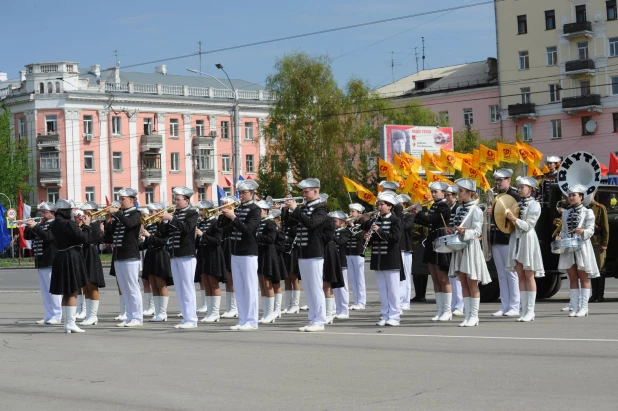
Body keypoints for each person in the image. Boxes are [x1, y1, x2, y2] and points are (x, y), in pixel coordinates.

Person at [286, 178, 329, 332]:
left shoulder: (322, 209)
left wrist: (296, 210)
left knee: (316, 288)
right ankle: (312, 319)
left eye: (306, 192)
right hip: (303, 252)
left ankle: (320, 320)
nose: (304, 195)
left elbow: (311, 224)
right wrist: (289, 211)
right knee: (308, 289)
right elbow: (290, 226)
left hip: (315, 252)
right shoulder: (304, 208)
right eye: (303, 192)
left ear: (315, 191)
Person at [449, 179, 491, 327]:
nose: (457, 194)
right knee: (463, 283)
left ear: (469, 192)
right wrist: (452, 231)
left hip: (471, 248)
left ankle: (474, 316)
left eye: (460, 191)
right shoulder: (459, 209)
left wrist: (464, 231)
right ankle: (467, 316)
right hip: (460, 248)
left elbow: (478, 232)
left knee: (472, 283)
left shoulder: (476, 210)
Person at [408, 181, 452, 321]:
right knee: (434, 277)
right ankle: (440, 309)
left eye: (436, 192)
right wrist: (416, 215)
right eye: (432, 191)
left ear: (443, 193)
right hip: (432, 239)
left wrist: (421, 211)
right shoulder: (435, 205)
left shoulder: (444, 206)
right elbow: (428, 222)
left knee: (442, 277)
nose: (433, 194)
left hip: (440, 239)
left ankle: (447, 310)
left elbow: (432, 218)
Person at [221, 181, 261, 331]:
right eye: (240, 192)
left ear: (251, 193)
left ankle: (252, 321)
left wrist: (233, 217)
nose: (241, 195)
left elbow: (249, 230)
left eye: (244, 192)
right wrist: (225, 214)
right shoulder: (237, 209)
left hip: (248, 252)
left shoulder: (255, 210)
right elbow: (223, 229)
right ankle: (243, 319)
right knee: (238, 287)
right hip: (235, 251)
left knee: (250, 288)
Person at [556, 184, 600, 317]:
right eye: (569, 195)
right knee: (573, 277)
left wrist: (583, 231)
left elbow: (591, 230)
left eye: (574, 195)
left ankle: (584, 307)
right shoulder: (566, 213)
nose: (571, 197)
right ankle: (574, 307)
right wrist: (560, 237)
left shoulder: (588, 212)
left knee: (583, 276)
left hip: (582, 246)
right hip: (569, 247)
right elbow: (564, 230)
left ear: (581, 197)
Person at [505, 177, 544, 322]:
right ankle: (524, 309)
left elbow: (528, 225)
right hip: (516, 238)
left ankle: (531, 311)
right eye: (519, 187)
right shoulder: (516, 204)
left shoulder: (535, 205)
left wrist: (514, 219)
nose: (519, 190)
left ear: (531, 189)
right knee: (520, 274)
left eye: (523, 187)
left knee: (529, 275)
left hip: (528, 239)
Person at [160, 187, 199, 329]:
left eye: (178, 199)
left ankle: (192, 319)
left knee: (187, 287)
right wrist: (164, 222)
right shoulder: (175, 214)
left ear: (186, 200)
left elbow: (187, 228)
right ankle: (185, 317)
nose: (175, 201)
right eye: (175, 199)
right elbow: (165, 233)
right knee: (179, 288)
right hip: (175, 254)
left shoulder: (192, 213)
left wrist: (171, 219)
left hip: (187, 254)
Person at [49, 199, 89, 333]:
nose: (72, 212)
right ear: (66, 211)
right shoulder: (69, 223)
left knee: (66, 292)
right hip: (71, 256)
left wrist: (75, 226)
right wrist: (86, 226)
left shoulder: (54, 224)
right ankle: (71, 323)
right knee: (73, 290)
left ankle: (67, 323)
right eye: (71, 210)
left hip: (60, 256)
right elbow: (83, 238)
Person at [362, 192, 402, 326]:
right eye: (378, 204)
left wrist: (379, 231)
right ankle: (385, 315)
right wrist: (369, 238)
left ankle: (395, 316)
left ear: (390, 206)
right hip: (378, 259)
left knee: (393, 289)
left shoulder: (396, 220)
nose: (379, 207)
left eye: (381, 204)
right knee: (382, 289)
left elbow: (395, 238)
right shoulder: (375, 220)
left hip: (391, 259)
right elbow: (376, 238)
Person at [105, 189, 143, 328]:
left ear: (132, 200)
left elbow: (130, 224)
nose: (120, 201)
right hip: (119, 255)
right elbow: (108, 236)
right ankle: (129, 316)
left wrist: (117, 213)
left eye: (123, 199)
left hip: (130, 255)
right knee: (124, 288)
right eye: (120, 199)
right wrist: (108, 219)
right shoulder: (119, 215)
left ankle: (137, 317)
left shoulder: (136, 213)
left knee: (133, 287)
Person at [487, 168, 521, 317]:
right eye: (497, 180)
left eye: (501, 180)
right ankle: (505, 305)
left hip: (508, 238)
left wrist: (495, 211)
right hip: (496, 237)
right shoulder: (496, 195)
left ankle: (515, 305)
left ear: (508, 180)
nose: (498, 183)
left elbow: (514, 215)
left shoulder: (514, 195)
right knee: (501, 273)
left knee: (511, 273)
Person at [24, 202, 62, 325]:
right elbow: (28, 237)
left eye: (45, 212)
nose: (42, 214)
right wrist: (27, 225)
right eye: (42, 212)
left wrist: (35, 226)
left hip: (51, 259)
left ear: (52, 213)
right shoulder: (41, 224)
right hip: (41, 260)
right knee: (45, 291)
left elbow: (48, 237)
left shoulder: (55, 224)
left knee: (53, 291)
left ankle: (57, 315)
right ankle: (49, 314)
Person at [195, 201, 227, 323]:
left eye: (202, 210)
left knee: (213, 283)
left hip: (213, 254)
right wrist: (197, 237)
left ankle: (215, 312)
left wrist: (203, 235)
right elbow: (199, 242)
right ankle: (209, 311)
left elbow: (217, 240)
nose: (201, 212)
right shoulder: (203, 222)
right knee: (206, 282)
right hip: (203, 253)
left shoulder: (216, 222)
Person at [140, 202, 173, 322]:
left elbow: (162, 241)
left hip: (160, 254)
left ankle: (163, 312)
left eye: (152, 212)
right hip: (150, 254)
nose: (150, 214)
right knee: (153, 283)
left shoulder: (164, 225)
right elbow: (147, 243)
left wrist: (149, 236)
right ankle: (157, 311)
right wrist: (140, 241)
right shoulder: (149, 224)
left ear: (159, 211)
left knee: (160, 284)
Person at [77, 201, 106, 326]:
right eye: (84, 213)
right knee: (85, 286)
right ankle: (88, 314)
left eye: (87, 213)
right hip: (83, 254)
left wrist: (87, 225)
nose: (84, 215)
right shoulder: (85, 225)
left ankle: (93, 315)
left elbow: (90, 240)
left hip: (91, 254)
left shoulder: (94, 225)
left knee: (92, 284)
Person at [256, 200, 281, 324]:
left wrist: (256, 236)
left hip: (268, 253)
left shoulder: (270, 224)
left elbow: (271, 239)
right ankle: (266, 312)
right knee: (261, 282)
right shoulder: (258, 223)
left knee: (267, 283)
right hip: (259, 253)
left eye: (259, 210)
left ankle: (271, 313)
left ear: (266, 211)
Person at [445, 185, 464, 316]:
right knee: (452, 274)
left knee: (458, 275)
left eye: (448, 195)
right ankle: (454, 303)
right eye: (445, 195)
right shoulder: (449, 208)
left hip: (459, 242)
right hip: (451, 241)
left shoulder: (457, 208)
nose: (446, 198)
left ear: (454, 196)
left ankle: (460, 305)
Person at [219, 196, 239, 319]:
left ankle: (235, 307)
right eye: (223, 204)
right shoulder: (222, 217)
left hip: (232, 245)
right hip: (224, 245)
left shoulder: (234, 216)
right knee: (227, 278)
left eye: (226, 203)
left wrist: (229, 215)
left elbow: (229, 228)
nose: (224, 206)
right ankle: (229, 307)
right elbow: (219, 228)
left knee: (232, 278)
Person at [281, 205, 302, 314]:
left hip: (293, 251)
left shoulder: (296, 223)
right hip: (285, 250)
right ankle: (288, 305)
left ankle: (295, 305)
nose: (285, 215)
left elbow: (296, 236)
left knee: (293, 277)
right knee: (287, 278)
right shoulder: (284, 224)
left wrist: (286, 238)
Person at [330, 211, 351, 320]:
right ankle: (336, 309)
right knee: (335, 287)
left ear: (342, 222)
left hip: (341, 262)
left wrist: (330, 235)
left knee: (343, 287)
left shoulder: (345, 232)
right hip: (332, 261)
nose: (332, 223)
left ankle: (344, 310)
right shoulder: (332, 231)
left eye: (335, 221)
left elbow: (340, 242)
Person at [589, 191, 609, 302]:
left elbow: (605, 228)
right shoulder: (584, 208)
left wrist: (604, 243)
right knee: (591, 269)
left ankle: (600, 295)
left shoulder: (600, 208)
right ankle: (594, 294)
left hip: (597, 241)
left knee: (600, 268)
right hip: (587, 241)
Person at [346, 203, 366, 310]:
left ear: (359, 213)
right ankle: (356, 301)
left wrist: (352, 226)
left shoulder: (363, 224)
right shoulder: (348, 225)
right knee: (353, 279)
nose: (350, 213)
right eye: (350, 211)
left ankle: (362, 302)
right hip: (349, 252)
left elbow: (360, 236)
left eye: (353, 211)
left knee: (359, 279)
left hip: (358, 252)